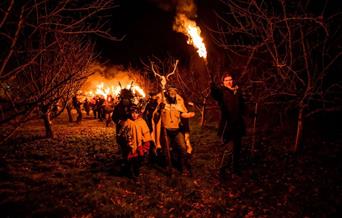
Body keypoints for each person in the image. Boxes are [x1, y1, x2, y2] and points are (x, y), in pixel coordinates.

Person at [153, 85, 195, 175]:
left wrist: (189, 114)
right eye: (171, 91)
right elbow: (155, 118)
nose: (173, 93)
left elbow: (182, 114)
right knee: (166, 150)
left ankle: (183, 167)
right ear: (167, 93)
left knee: (183, 148)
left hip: (177, 131)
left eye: (174, 91)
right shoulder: (162, 104)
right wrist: (159, 109)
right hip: (166, 131)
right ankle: (168, 166)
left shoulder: (178, 103)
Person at [211, 72, 245, 177]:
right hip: (227, 126)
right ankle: (222, 171)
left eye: (230, 79)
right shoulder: (222, 92)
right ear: (223, 82)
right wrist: (212, 86)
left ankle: (235, 169)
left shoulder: (237, 91)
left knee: (237, 149)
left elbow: (243, 106)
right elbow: (215, 94)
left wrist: (251, 113)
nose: (229, 82)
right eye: (226, 80)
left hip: (238, 125)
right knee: (230, 150)